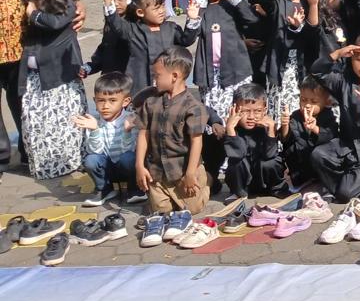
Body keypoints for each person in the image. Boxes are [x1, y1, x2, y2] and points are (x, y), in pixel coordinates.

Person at [0, 0, 80, 170]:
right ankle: (0, 157)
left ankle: (29, 151)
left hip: (20, 46)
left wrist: (76, 3)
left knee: (23, 101)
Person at [18, 0, 87, 180]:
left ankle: (68, 163)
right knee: (35, 122)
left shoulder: (65, 7)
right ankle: (44, 166)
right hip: (36, 79)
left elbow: (55, 23)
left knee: (63, 123)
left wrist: (33, 14)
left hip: (61, 78)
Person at [309, 32, 360, 202]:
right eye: (359, 59)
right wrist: (337, 54)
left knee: (346, 195)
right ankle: (334, 187)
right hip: (345, 144)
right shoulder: (344, 82)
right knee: (319, 155)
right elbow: (317, 72)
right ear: (352, 57)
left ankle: (349, 185)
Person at [134, 46, 210, 215]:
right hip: (157, 171)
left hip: (182, 170)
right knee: (162, 211)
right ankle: (168, 196)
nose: (154, 81)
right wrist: (139, 165)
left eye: (158, 76)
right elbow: (143, 133)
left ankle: (205, 181)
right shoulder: (151, 102)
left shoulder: (193, 106)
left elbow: (197, 141)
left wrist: (190, 173)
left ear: (175, 76)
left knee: (193, 209)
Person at [182, 0, 260, 123]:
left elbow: (253, 20)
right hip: (211, 74)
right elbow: (188, 38)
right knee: (214, 117)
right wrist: (195, 14)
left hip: (236, 70)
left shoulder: (233, 4)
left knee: (239, 112)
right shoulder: (200, 6)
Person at [74, 70, 142, 206]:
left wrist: (127, 131)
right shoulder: (94, 121)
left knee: (129, 158)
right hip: (107, 170)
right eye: (101, 101)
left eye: (112, 101)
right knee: (90, 160)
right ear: (94, 100)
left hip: (127, 168)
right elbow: (95, 151)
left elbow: (131, 150)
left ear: (125, 101)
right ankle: (104, 189)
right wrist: (94, 130)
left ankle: (134, 188)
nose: (105, 106)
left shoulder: (131, 119)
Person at [100, 0, 180, 96]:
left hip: (165, 85)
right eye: (156, 8)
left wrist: (192, 19)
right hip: (139, 86)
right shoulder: (132, 29)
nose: (162, 11)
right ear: (140, 12)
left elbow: (186, 40)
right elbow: (116, 24)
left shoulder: (171, 28)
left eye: (162, 6)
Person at [221, 83, 287, 200]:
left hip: (262, 180)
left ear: (264, 110)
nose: (251, 116)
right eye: (245, 111)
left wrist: (271, 130)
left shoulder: (265, 126)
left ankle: (277, 189)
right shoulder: (233, 129)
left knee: (273, 161)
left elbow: (270, 155)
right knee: (237, 162)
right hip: (243, 182)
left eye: (257, 111)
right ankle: (238, 193)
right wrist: (230, 129)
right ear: (235, 109)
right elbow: (237, 154)